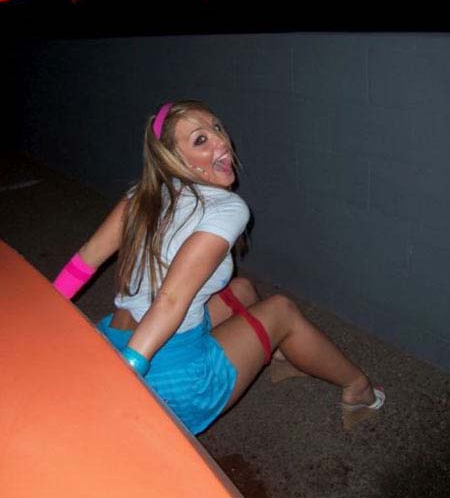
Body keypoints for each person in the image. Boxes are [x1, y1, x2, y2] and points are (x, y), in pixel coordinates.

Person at [53, 100, 385, 435]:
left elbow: (82, 262)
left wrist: (45, 312)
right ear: (176, 159)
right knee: (282, 310)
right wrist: (127, 372)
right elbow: (170, 300)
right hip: (167, 377)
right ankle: (358, 389)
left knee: (242, 290)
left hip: (112, 339)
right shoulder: (227, 208)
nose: (221, 141)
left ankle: (283, 355)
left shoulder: (140, 195)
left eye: (217, 128)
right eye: (201, 140)